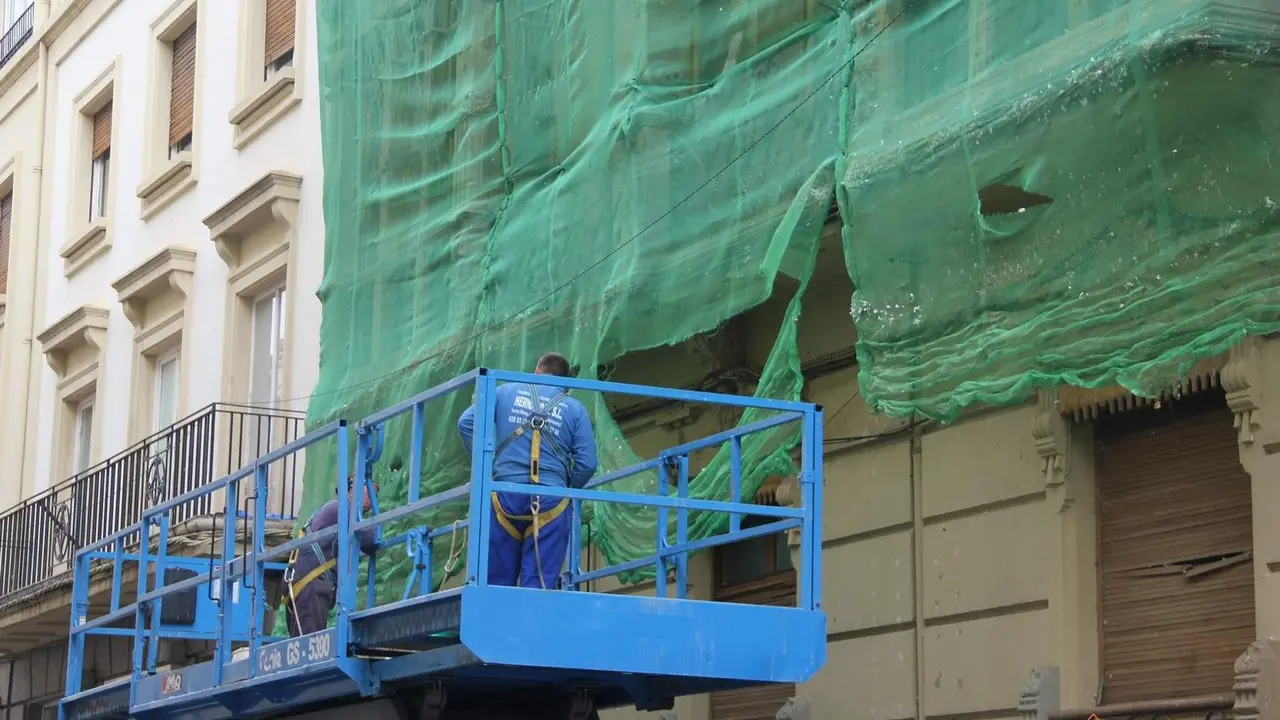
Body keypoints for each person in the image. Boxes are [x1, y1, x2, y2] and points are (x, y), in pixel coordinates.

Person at [458, 352, 598, 589]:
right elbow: (588, 463)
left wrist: (490, 472)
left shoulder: (504, 391)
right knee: (538, 589)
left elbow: (466, 423)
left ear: (536, 372)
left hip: (505, 494)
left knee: (496, 586)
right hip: (551, 502)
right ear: (565, 386)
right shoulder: (574, 408)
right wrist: (565, 489)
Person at [283, 476, 379, 637]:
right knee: (309, 649)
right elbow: (372, 540)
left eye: (374, 493)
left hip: (303, 583)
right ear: (352, 489)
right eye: (368, 490)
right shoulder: (344, 508)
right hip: (310, 584)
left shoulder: (333, 509)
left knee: (302, 646)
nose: (372, 497)